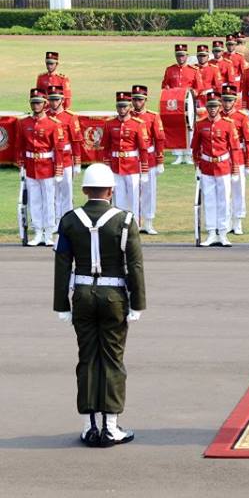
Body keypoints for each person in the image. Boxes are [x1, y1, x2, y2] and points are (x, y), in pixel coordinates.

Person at [53, 162, 145, 447]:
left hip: (82, 295)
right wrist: (137, 303)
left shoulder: (70, 220)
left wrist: (61, 304)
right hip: (114, 297)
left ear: (84, 190)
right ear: (111, 190)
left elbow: (62, 265)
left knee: (87, 359)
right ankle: (111, 427)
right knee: (112, 360)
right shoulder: (125, 220)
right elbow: (135, 265)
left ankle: (89, 426)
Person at [192, 92, 242, 247]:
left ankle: (223, 233)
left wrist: (235, 169)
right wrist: (197, 166)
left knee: (224, 201)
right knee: (209, 201)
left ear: (219, 107)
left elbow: (234, 148)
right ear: (206, 108)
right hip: (207, 167)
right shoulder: (200, 124)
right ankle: (211, 233)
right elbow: (195, 148)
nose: (212, 109)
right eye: (210, 106)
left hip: (223, 167)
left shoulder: (228, 124)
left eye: (215, 106)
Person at [18, 88, 65, 246]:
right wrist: (22, 166)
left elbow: (58, 149)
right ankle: (38, 232)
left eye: (38, 103)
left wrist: (58, 170)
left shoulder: (53, 124)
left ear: (45, 104)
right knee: (35, 201)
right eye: (33, 103)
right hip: (31, 167)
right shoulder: (24, 123)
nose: (35, 105)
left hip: (47, 167)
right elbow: (20, 146)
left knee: (49, 201)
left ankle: (49, 233)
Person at [100, 92, 149, 225]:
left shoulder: (138, 124)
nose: (121, 109)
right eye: (119, 106)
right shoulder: (109, 124)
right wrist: (107, 167)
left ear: (130, 107)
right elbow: (106, 147)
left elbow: (143, 149)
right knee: (118, 198)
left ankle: (134, 224)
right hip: (116, 166)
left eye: (124, 106)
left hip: (132, 166)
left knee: (134, 197)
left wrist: (144, 170)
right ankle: (119, 224)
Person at [130, 85, 165, 234]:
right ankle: (134, 222)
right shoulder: (128, 116)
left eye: (140, 100)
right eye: (135, 100)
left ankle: (148, 222)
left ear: (145, 100)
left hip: (149, 159)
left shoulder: (152, 117)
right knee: (133, 192)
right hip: (131, 161)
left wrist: (160, 161)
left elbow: (159, 139)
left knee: (149, 192)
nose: (137, 102)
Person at [220, 84, 249, 235]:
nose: (227, 103)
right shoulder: (218, 116)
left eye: (230, 100)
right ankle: (227, 221)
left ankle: (238, 221)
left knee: (239, 191)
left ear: (235, 101)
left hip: (239, 158)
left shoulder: (242, 117)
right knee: (224, 192)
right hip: (222, 159)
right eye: (225, 100)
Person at [46, 85, 82, 225]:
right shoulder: (45, 116)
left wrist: (77, 162)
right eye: (51, 99)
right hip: (49, 160)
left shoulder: (70, 117)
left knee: (66, 191)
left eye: (56, 99)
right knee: (52, 192)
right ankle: (54, 220)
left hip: (66, 159)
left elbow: (76, 141)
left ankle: (67, 220)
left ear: (62, 100)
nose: (54, 102)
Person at [160, 44, 199, 164]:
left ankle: (189, 154)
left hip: (188, 103)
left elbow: (199, 88)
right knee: (175, 128)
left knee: (190, 128)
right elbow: (164, 85)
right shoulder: (170, 70)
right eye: (178, 55)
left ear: (187, 56)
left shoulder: (193, 70)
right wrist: (167, 89)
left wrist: (192, 93)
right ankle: (178, 155)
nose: (180, 58)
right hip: (174, 104)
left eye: (183, 55)